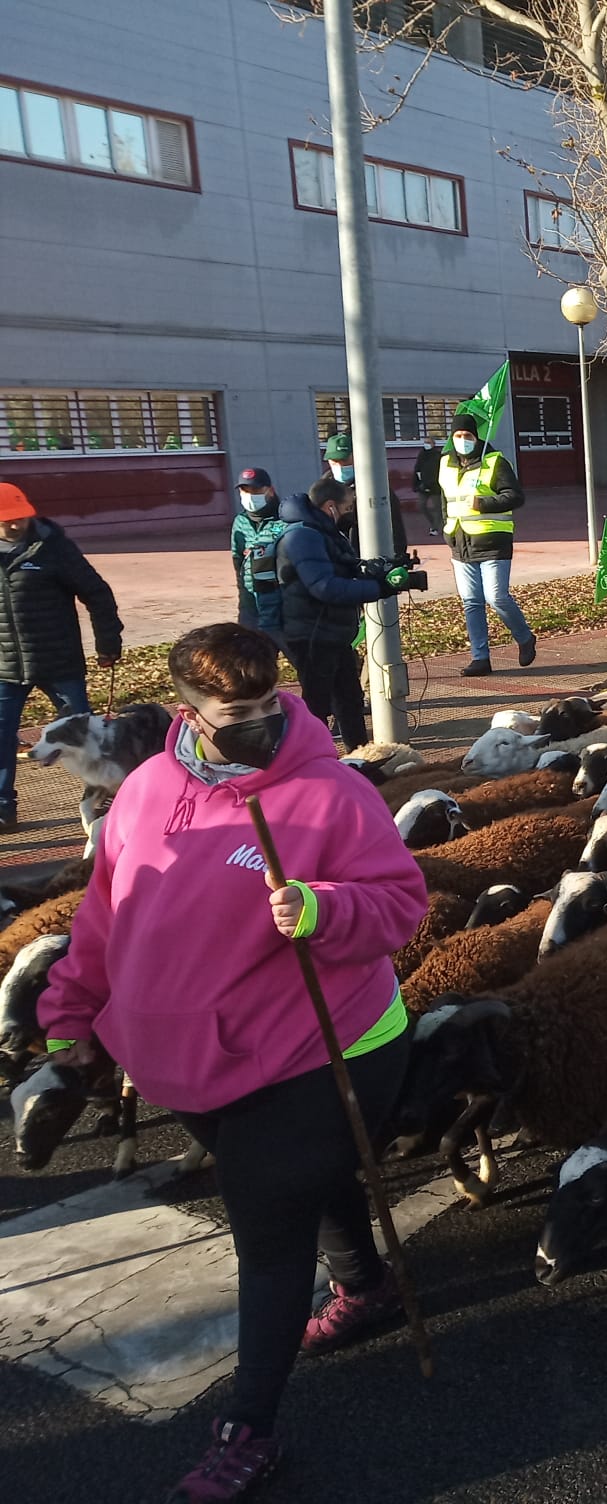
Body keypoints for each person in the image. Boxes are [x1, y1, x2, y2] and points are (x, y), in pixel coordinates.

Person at [36, 621, 428, 1501]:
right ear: (186, 711)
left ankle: (245, 1431)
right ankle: (367, 1287)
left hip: (313, 1049)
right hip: (188, 1054)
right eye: (232, 713)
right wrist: (71, 1012)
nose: (255, 725)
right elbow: (107, 912)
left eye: (264, 708)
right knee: (299, 1179)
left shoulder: (330, 793)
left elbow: (401, 905)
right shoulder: (144, 789)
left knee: (269, 1225)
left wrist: (323, 909)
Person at [0, 482, 122, 830]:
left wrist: (107, 643)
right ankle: (3, 807)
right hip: (6, 665)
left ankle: (102, 797)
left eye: (19, 518)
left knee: (88, 734)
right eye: (6, 520)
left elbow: (97, 593)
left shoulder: (53, 548)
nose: (14, 525)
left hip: (59, 662)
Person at [278, 481, 415, 750]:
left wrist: (374, 570)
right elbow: (324, 587)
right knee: (317, 703)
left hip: (331, 630)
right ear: (331, 507)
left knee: (349, 699)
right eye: (347, 507)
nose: (350, 512)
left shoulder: (324, 531)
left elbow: (342, 566)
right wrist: (379, 588)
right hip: (313, 633)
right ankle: (308, 761)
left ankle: (360, 757)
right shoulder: (303, 536)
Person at [439, 412, 535, 677]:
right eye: (457, 436)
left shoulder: (494, 462)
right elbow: (445, 501)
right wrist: (446, 527)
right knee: (471, 601)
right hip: (460, 542)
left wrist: (483, 503)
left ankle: (525, 637)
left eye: (467, 436)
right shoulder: (445, 463)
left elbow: (515, 496)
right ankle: (480, 658)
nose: (462, 440)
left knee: (497, 597)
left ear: (476, 436)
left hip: (493, 541)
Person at [230, 467, 289, 637]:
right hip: (251, 606)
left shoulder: (284, 519)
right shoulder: (240, 522)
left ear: (270, 490)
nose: (250, 495)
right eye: (245, 490)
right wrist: (243, 601)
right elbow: (237, 561)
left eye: (255, 490)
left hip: (279, 603)